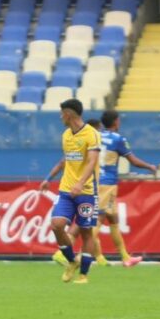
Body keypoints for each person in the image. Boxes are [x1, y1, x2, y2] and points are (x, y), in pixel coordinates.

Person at [53, 111, 156, 267]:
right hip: (105, 184)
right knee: (95, 220)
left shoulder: (94, 135)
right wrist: (150, 167)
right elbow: (133, 161)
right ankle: (71, 255)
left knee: (113, 218)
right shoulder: (117, 139)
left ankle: (124, 257)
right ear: (116, 122)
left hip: (96, 181)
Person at [39, 99, 100, 284]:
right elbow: (65, 160)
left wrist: (80, 183)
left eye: (61, 114)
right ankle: (72, 261)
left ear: (68, 114)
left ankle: (83, 275)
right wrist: (49, 178)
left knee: (86, 232)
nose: (60, 117)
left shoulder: (92, 134)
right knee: (56, 225)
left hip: (86, 192)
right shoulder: (66, 135)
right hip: (66, 190)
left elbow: (92, 161)